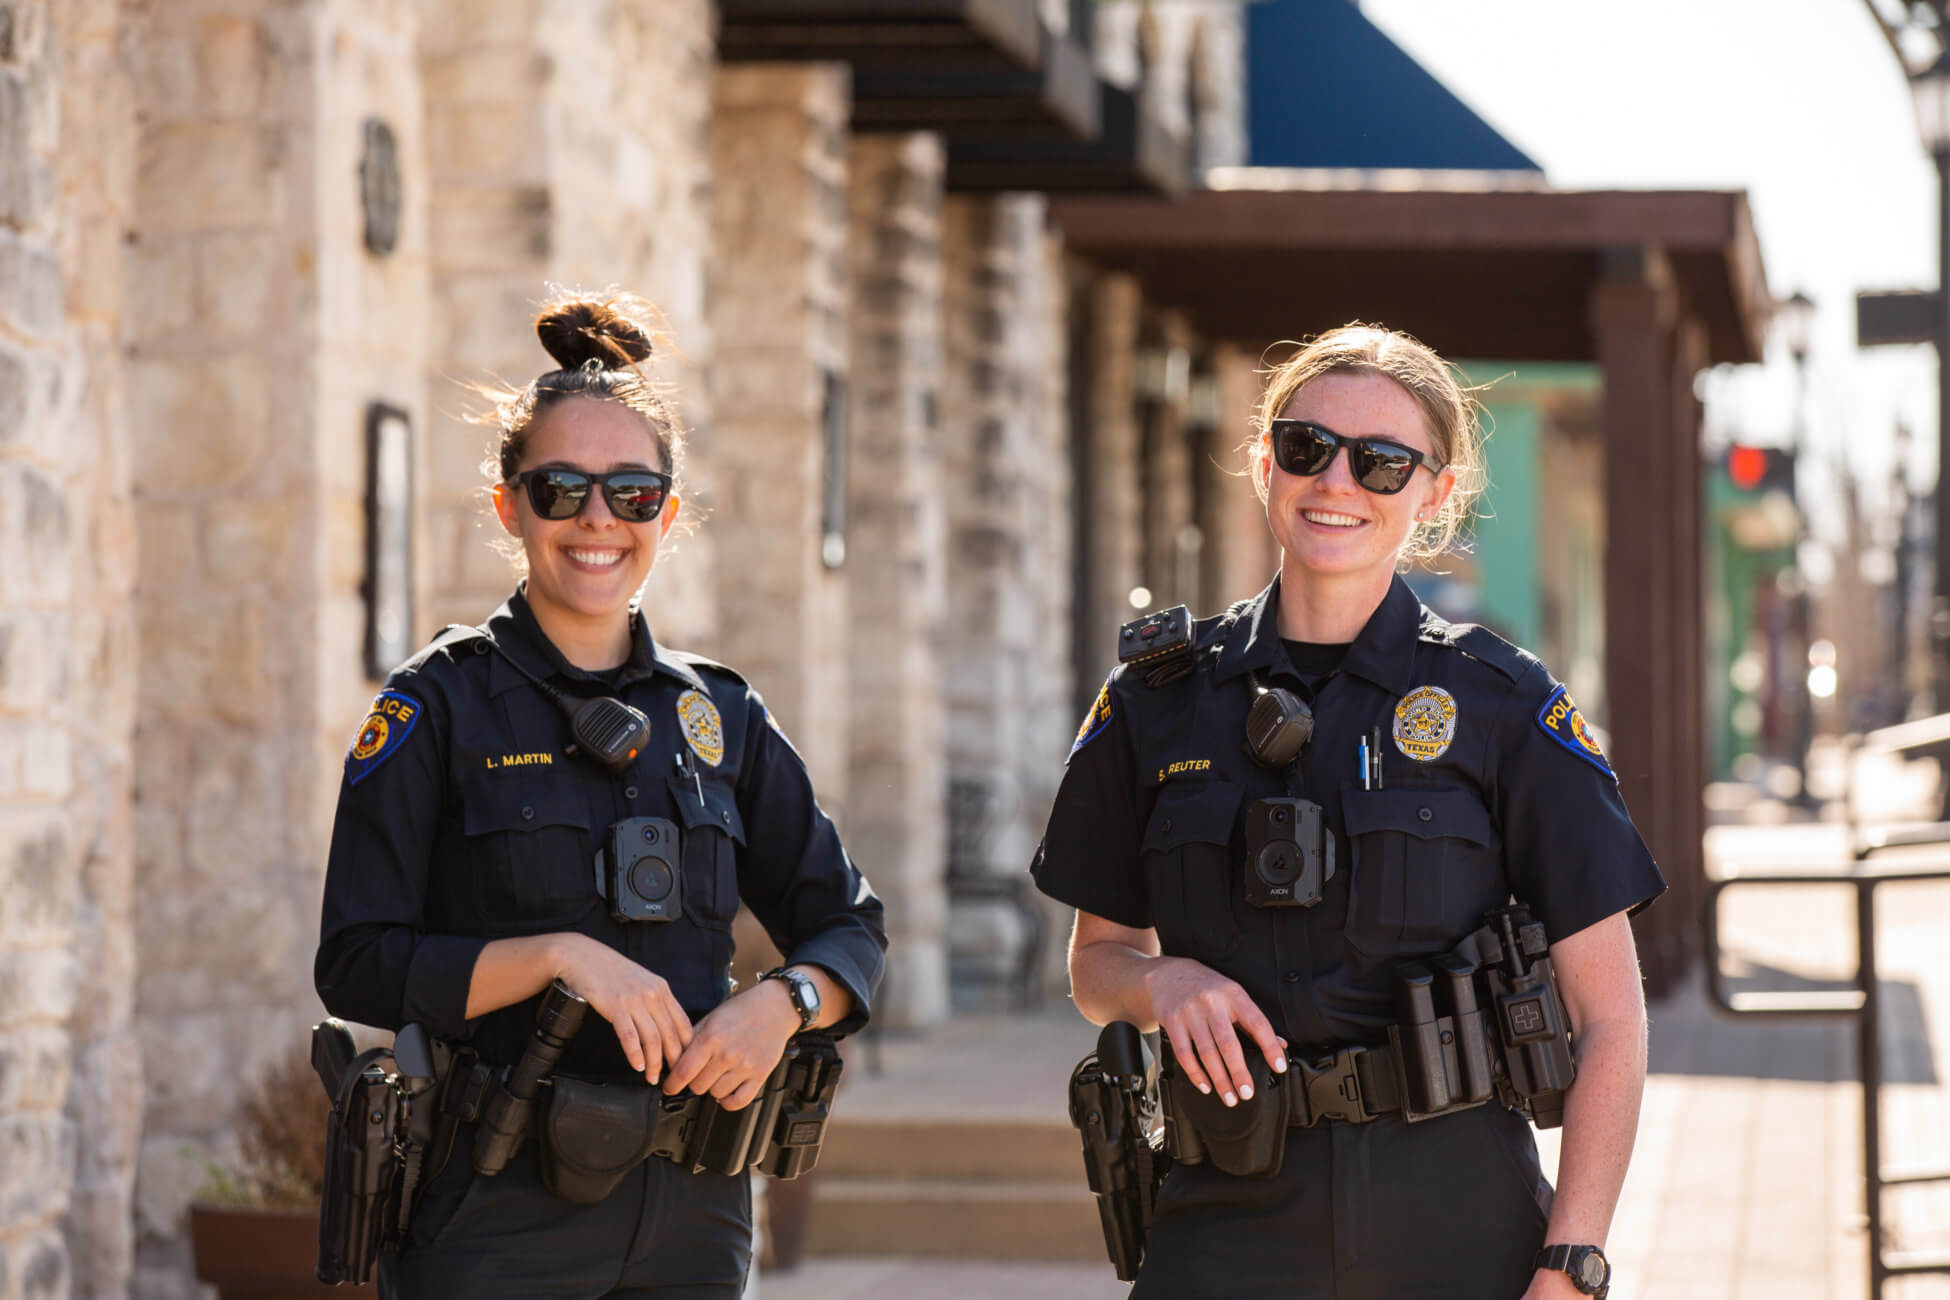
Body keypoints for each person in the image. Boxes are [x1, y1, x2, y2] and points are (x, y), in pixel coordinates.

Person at [1032, 324, 1663, 1300]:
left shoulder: (1502, 704)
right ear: (1263, 460)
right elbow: (1096, 960)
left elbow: (1611, 1016)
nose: (1337, 483)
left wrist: (1571, 1265)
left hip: (1457, 1221)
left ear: (1435, 492)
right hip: (1224, 1218)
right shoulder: (1156, 700)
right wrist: (1164, 984)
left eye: (1381, 463)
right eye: (1305, 447)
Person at [315, 291, 886, 1299]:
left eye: (629, 493)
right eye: (560, 488)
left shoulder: (721, 714)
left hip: (695, 1208)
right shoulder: (436, 705)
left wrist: (785, 1004)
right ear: (509, 506)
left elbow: (848, 926)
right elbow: (358, 963)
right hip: (497, 1203)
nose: (595, 520)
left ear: (665, 513)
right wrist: (556, 958)